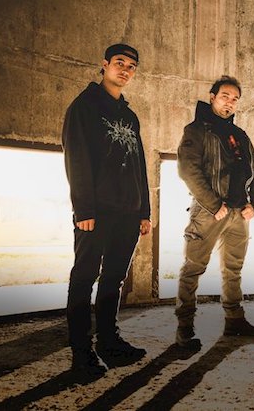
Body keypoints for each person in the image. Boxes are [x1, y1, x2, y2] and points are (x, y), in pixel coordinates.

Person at [62, 43, 150, 377]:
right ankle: (81, 353)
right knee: (84, 278)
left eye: (131, 66)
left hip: (128, 212)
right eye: (119, 63)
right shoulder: (84, 106)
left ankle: (109, 342)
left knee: (114, 278)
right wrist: (83, 209)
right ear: (105, 64)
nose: (125, 70)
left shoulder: (129, 115)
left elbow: (140, 166)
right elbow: (76, 159)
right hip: (95, 212)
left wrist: (144, 211)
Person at [175, 75, 254, 348]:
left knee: (233, 270)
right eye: (225, 96)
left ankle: (234, 320)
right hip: (208, 212)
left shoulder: (240, 135)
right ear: (212, 97)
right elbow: (188, 170)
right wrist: (214, 205)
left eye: (235, 99)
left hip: (239, 213)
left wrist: (253, 205)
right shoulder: (196, 130)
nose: (230, 102)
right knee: (193, 269)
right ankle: (184, 328)